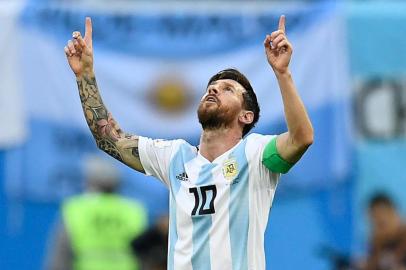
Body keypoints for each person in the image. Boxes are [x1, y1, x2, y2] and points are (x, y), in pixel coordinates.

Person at [64, 15, 313, 270]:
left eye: (227, 89)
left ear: (246, 116)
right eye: (211, 87)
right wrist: (85, 75)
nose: (214, 89)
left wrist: (282, 73)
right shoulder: (175, 156)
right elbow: (109, 139)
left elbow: (301, 138)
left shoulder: (256, 153)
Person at [45, 155, 148, 270]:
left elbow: (61, 256)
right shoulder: (133, 210)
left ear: (89, 180)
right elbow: (145, 255)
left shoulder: (76, 208)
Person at [364, 193, 406, 270]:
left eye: (381, 223)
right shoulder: (376, 244)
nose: (376, 230)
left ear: (394, 213)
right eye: (373, 224)